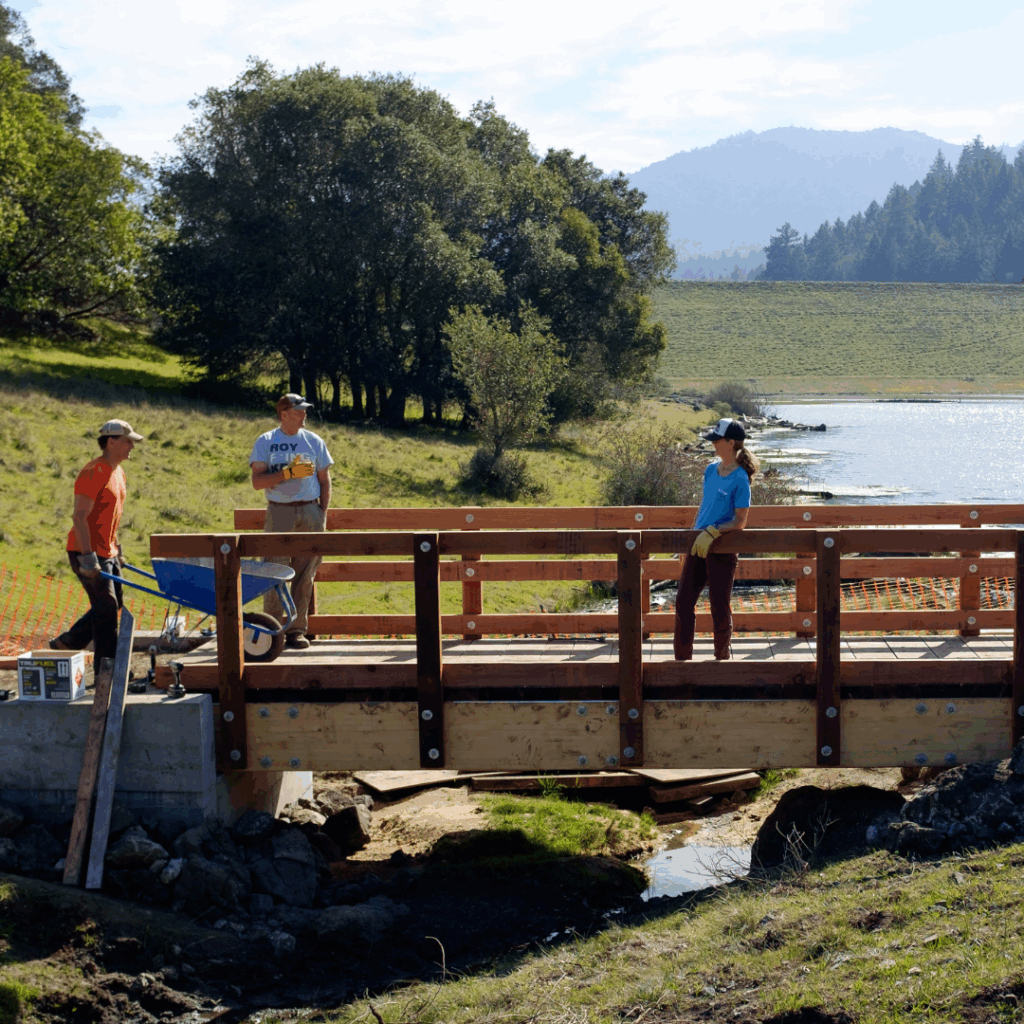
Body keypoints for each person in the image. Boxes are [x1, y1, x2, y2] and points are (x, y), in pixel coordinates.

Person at [51, 419, 144, 672]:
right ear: (111, 442)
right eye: (127, 442)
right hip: (86, 549)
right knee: (106, 609)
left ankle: (68, 642)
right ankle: (108, 670)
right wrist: (88, 558)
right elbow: (79, 516)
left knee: (114, 604)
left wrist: (117, 549)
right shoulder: (93, 471)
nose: (131, 447)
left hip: (108, 550)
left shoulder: (119, 473)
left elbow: (110, 516)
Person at [249, 394, 333, 649]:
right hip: (279, 511)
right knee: (274, 571)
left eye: (304, 411)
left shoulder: (314, 441)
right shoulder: (266, 441)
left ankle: (296, 631)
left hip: (310, 511)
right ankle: (273, 630)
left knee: (305, 573)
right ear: (284, 414)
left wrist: (322, 514)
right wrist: (287, 473)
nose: (304, 414)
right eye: (298, 411)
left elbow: (324, 479)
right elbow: (257, 482)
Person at [674, 417, 759, 662]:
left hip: (722, 549)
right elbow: (705, 508)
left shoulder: (741, 479)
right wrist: (690, 541)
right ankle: (682, 660)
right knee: (683, 602)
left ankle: (721, 661)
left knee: (719, 607)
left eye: (717, 440)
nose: (713, 445)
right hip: (698, 546)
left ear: (731, 443)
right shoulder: (711, 470)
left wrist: (713, 531)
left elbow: (740, 521)